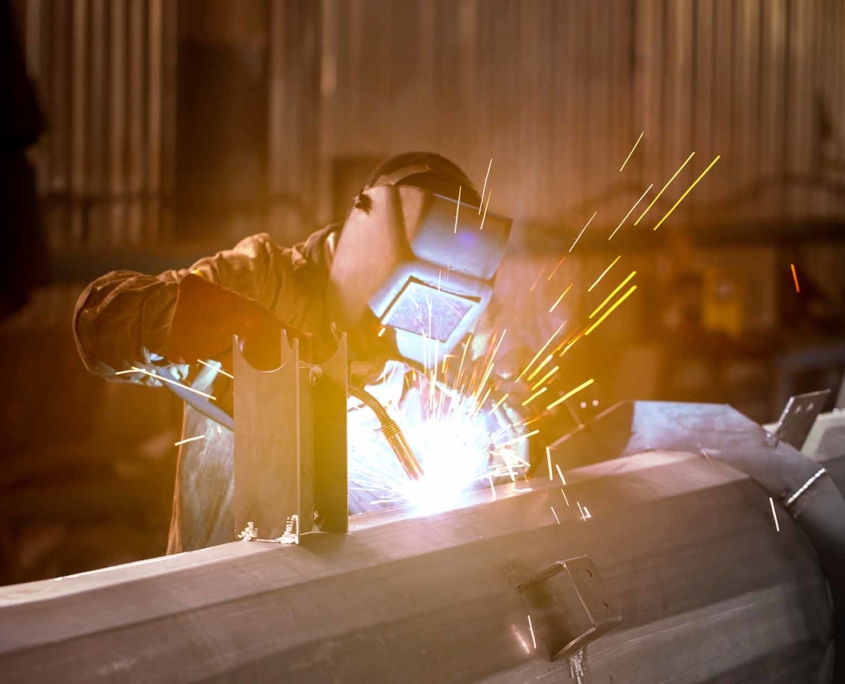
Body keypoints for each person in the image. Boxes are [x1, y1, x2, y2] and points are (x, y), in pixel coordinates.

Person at [74, 152, 520, 553]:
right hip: (225, 590)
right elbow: (99, 327)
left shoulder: (463, 329)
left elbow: (508, 434)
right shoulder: (264, 280)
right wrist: (241, 326)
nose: (387, 346)